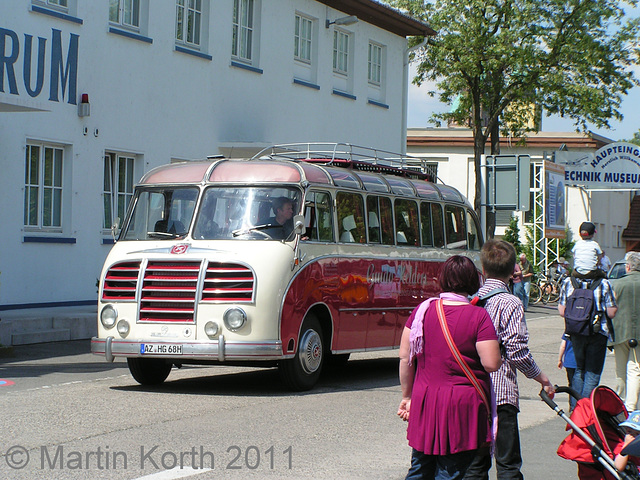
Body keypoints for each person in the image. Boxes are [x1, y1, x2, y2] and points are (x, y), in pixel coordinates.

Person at [398, 255, 502, 480]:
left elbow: (406, 358)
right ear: (473, 280)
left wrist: (407, 397)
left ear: (442, 278)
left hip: (426, 400)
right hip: (461, 405)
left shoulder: (422, 311)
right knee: (451, 471)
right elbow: (491, 363)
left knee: (420, 467)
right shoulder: (478, 316)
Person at [464, 239, 555, 480]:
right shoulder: (511, 303)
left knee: (474, 465)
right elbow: (517, 351)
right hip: (501, 392)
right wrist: (542, 378)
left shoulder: (469, 301)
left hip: (473, 391)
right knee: (508, 464)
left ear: (483, 269)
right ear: (514, 269)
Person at [558, 261, 617, 405]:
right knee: (592, 373)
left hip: (576, 332)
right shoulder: (603, 283)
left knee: (579, 371)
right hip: (598, 333)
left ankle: (575, 409)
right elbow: (611, 312)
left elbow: (561, 311)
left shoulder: (568, 282)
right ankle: (586, 409)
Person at [610, 251, 640, 411]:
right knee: (635, 368)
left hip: (620, 331)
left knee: (620, 369)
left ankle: (619, 401)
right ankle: (631, 406)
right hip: (639, 333)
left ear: (628, 267)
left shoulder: (617, 284)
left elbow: (610, 309)